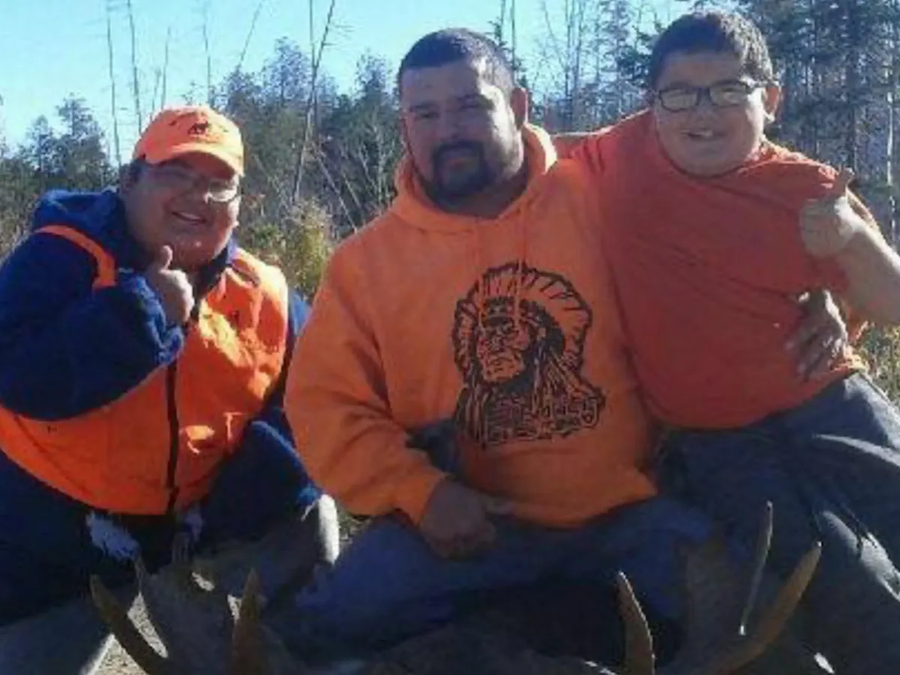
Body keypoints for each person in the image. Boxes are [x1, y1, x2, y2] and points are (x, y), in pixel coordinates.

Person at [282, 28, 841, 664]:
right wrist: (423, 493)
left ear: (519, 108)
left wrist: (824, 285)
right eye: (425, 114)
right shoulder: (365, 265)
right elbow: (327, 407)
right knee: (314, 636)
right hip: (466, 527)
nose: (449, 130)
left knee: (761, 626)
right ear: (404, 126)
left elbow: (765, 178)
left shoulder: (604, 186)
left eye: (472, 105)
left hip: (629, 514)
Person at [562, 11, 900, 673]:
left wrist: (851, 245)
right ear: (651, 104)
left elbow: (890, 302)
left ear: (770, 100)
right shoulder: (621, 153)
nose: (702, 112)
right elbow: (535, 146)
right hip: (719, 440)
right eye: (679, 94)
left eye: (727, 90)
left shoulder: (805, 189)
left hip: (830, 401)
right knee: (837, 577)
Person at [0, 105, 329, 627]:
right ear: (129, 182)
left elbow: (323, 397)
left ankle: (300, 645)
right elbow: (14, 374)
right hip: (58, 530)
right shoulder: (58, 257)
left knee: (309, 514)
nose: (198, 196)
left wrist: (233, 503)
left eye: (221, 184)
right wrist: (140, 314)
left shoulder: (266, 293)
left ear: (240, 206)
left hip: (208, 515)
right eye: (176, 173)